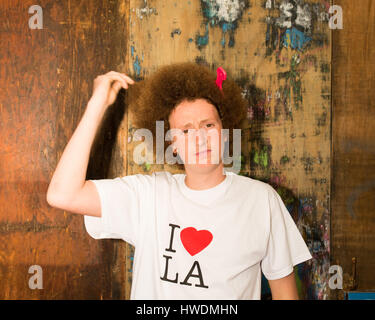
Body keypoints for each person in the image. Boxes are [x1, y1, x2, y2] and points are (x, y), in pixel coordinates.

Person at [47, 62, 312, 300]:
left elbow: (285, 293)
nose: (200, 137)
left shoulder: (261, 200)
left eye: (208, 125)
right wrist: (97, 105)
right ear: (172, 143)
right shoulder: (148, 195)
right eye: (185, 130)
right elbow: (62, 194)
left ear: (226, 132)